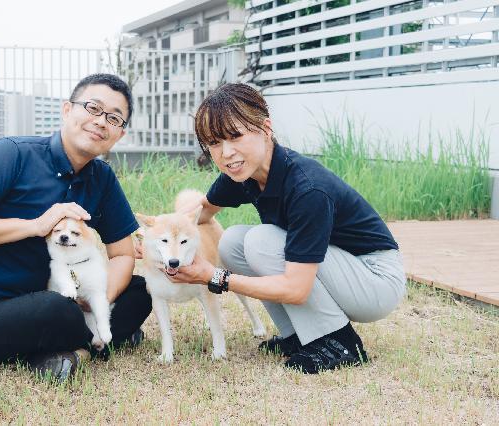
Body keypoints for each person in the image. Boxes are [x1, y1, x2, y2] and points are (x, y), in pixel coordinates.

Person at [163, 83, 406, 374]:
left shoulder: (307, 188)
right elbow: (200, 213)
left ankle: (338, 344)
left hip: (375, 280)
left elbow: (296, 288)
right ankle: (299, 337)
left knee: (261, 241)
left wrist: (212, 276)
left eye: (235, 136)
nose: (226, 153)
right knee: (233, 243)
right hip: (342, 268)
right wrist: (157, 239)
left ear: (266, 128)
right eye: (214, 143)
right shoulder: (242, 173)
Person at [0, 73, 152, 383]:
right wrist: (35, 226)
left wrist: (96, 298)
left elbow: (122, 254)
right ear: (66, 110)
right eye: (93, 108)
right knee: (56, 309)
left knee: (139, 291)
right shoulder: (12, 154)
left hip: (52, 296)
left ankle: (74, 351)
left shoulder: (101, 178)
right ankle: (94, 341)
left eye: (114, 118)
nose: (101, 122)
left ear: (120, 134)